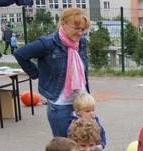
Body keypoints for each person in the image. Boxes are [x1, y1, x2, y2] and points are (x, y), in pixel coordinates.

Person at [14, 7, 90, 137]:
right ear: (63, 23)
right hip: (60, 105)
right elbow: (20, 54)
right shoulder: (48, 44)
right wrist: (37, 74)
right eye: (76, 28)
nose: (80, 33)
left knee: (84, 146)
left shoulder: (81, 43)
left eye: (82, 29)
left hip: (81, 104)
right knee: (64, 149)